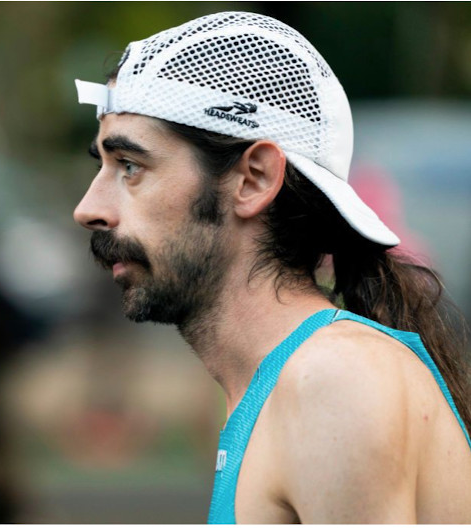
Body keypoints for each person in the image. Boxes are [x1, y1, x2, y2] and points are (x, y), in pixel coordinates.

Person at [72, 11, 471, 524]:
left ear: (254, 179)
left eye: (130, 166)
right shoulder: (291, 378)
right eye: (102, 166)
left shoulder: (331, 377)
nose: (89, 209)